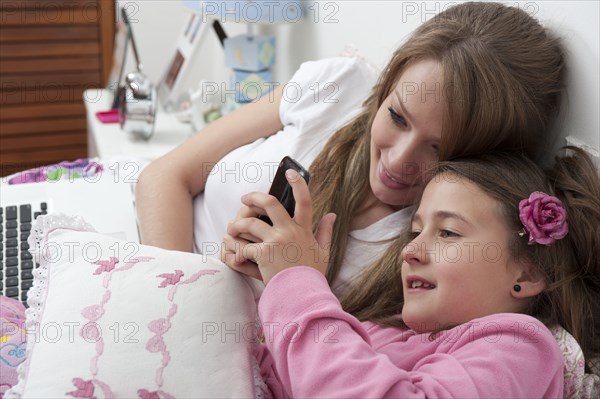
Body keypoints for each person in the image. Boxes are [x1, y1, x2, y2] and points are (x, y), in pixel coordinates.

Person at [136, 2, 565, 294]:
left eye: (439, 149)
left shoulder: (443, 248)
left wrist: (289, 281)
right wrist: (181, 298)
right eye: (397, 116)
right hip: (152, 269)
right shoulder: (340, 86)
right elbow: (163, 177)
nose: (397, 162)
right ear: (386, 89)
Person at [225, 147, 599, 398]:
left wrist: (298, 287)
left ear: (528, 274)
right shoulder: (379, 332)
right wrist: (261, 289)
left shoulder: (521, 347)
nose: (409, 250)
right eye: (415, 231)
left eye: (448, 232)